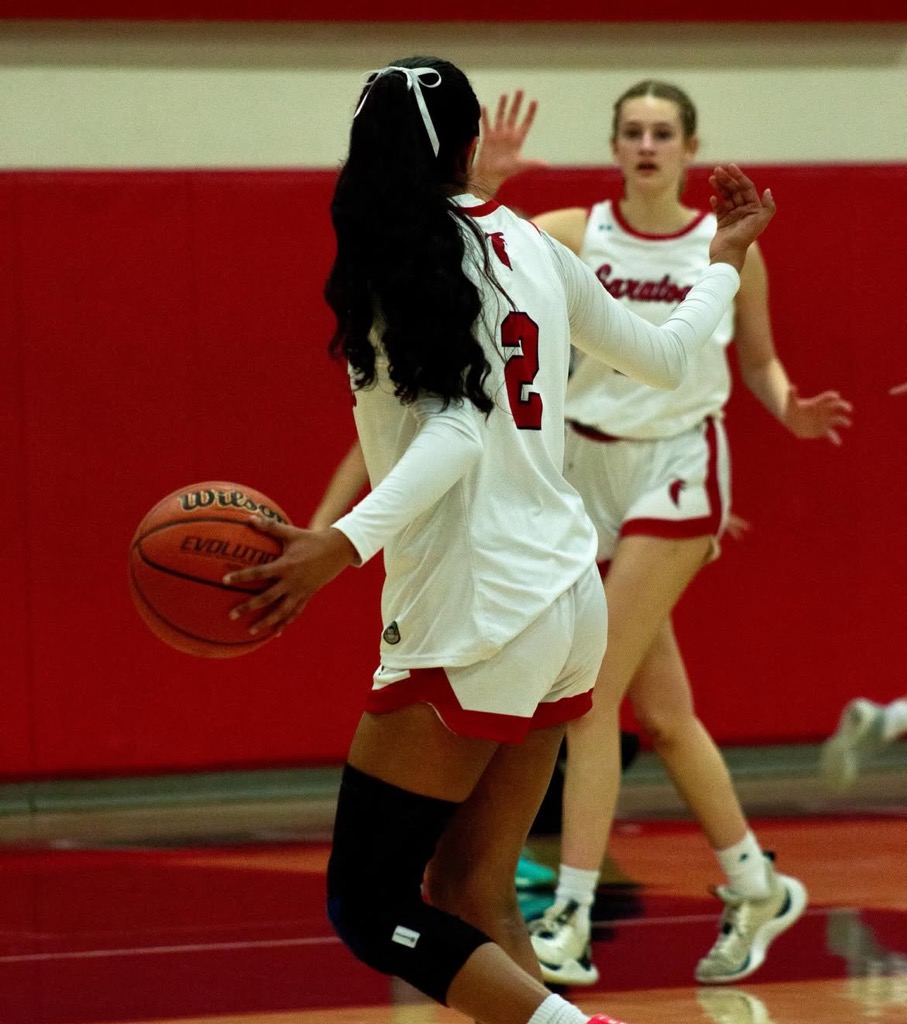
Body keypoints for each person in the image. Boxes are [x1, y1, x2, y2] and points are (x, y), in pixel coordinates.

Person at [223, 56, 775, 1024]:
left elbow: (456, 426)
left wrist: (338, 545)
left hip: (476, 604)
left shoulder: (399, 252)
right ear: (471, 140)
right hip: (566, 595)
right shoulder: (526, 240)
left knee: (369, 904)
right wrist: (723, 256)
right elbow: (660, 355)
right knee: (473, 890)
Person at [472, 82, 853, 987]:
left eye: (663, 132)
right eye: (633, 131)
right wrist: (483, 182)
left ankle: (566, 915)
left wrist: (790, 409)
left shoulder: (723, 244)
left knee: (589, 693)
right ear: (615, 146)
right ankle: (754, 883)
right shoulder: (571, 229)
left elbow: (754, 356)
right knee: (669, 718)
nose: (647, 144)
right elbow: (477, 251)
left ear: (688, 148)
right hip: (584, 471)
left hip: (677, 466)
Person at [820, 697, 907, 792]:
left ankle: (842, 765)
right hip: (877, 722)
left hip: (872, 717)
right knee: (849, 747)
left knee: (849, 746)